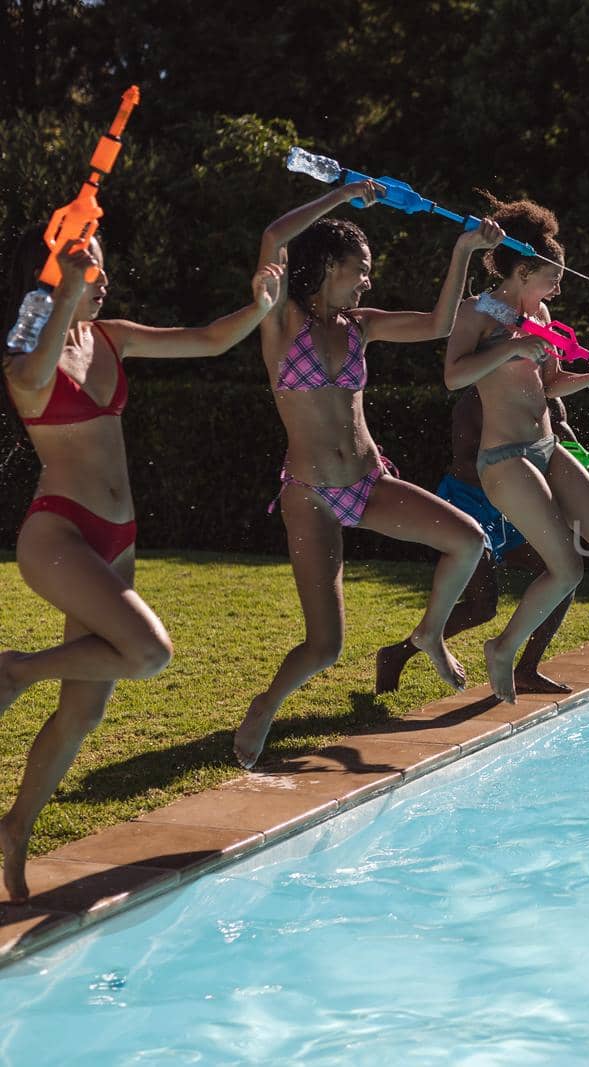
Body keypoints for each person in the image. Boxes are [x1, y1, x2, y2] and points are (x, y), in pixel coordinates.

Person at [0, 231, 283, 900]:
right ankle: (16, 669)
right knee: (149, 651)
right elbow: (34, 379)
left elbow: (207, 339)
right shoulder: (22, 361)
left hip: (116, 537)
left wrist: (260, 308)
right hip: (60, 533)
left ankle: (14, 829)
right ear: (60, 274)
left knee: (83, 713)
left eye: (103, 270)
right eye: (96, 270)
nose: (106, 282)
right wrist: (67, 287)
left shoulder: (113, 337)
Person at [233, 181, 506, 768]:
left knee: (468, 541)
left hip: (369, 482)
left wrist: (462, 252)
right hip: (310, 496)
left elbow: (438, 324)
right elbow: (275, 236)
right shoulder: (282, 321)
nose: (367, 281)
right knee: (324, 646)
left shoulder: (362, 325)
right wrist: (346, 194)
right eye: (361, 269)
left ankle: (429, 634)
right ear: (330, 265)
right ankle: (266, 704)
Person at [442, 193, 589, 702]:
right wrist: (512, 347)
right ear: (521, 272)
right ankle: (503, 650)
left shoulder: (539, 314)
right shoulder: (474, 313)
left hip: (546, 445)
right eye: (551, 278)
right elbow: (454, 378)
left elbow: (549, 385)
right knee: (565, 566)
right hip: (505, 458)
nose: (558, 290)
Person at [373, 390, 589, 696]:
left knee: (562, 573)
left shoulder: (550, 403)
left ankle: (526, 670)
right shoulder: (474, 401)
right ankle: (397, 653)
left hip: (513, 506)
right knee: (482, 606)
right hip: (469, 504)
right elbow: (468, 464)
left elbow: (567, 465)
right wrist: (520, 467)